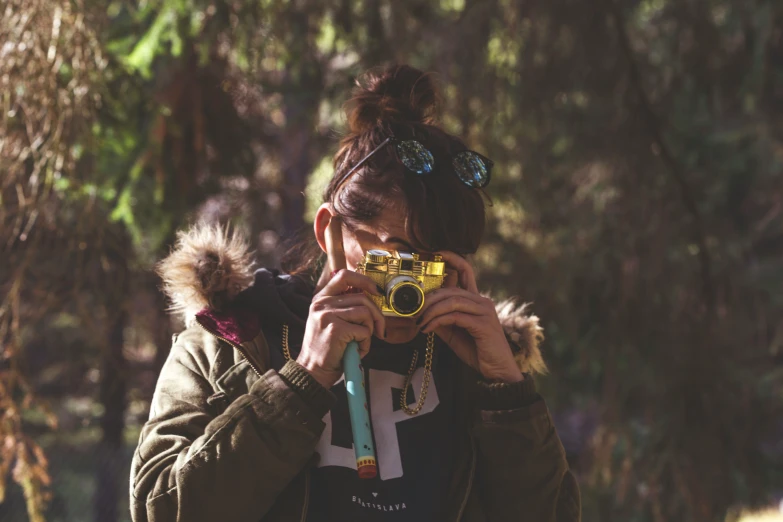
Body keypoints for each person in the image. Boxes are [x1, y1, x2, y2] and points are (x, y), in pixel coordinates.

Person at [130, 64, 581, 522]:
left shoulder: (474, 364)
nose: (417, 280)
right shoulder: (234, 339)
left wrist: (506, 392)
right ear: (331, 232)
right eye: (400, 255)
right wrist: (299, 383)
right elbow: (160, 510)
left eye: (439, 261)